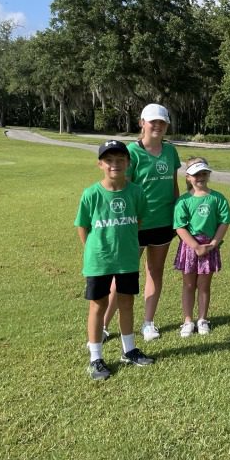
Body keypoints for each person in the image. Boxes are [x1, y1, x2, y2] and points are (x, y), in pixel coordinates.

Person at [75, 140, 154, 380]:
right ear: (100, 164)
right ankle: (96, 357)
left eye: (120, 160)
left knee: (126, 302)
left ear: (128, 163)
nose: (115, 165)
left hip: (127, 258)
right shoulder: (91, 194)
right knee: (98, 305)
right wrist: (94, 250)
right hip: (99, 260)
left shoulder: (136, 192)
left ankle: (129, 350)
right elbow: (83, 227)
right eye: (109, 160)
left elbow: (138, 220)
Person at [103, 103, 181, 342]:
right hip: (134, 224)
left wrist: (179, 217)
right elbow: (122, 190)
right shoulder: (131, 152)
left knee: (155, 272)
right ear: (142, 123)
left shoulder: (170, 151)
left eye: (162, 122)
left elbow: (174, 186)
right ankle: (103, 325)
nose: (157, 125)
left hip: (163, 223)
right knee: (123, 275)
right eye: (152, 121)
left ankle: (148, 323)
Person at [173, 157, 230, 337]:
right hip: (189, 246)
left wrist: (213, 243)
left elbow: (224, 222)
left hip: (209, 245)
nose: (200, 177)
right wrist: (195, 246)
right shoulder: (183, 200)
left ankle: (202, 319)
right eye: (195, 174)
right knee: (189, 284)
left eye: (203, 173)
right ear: (188, 177)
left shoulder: (217, 198)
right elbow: (180, 226)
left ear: (208, 174)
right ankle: (187, 320)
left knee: (204, 285)